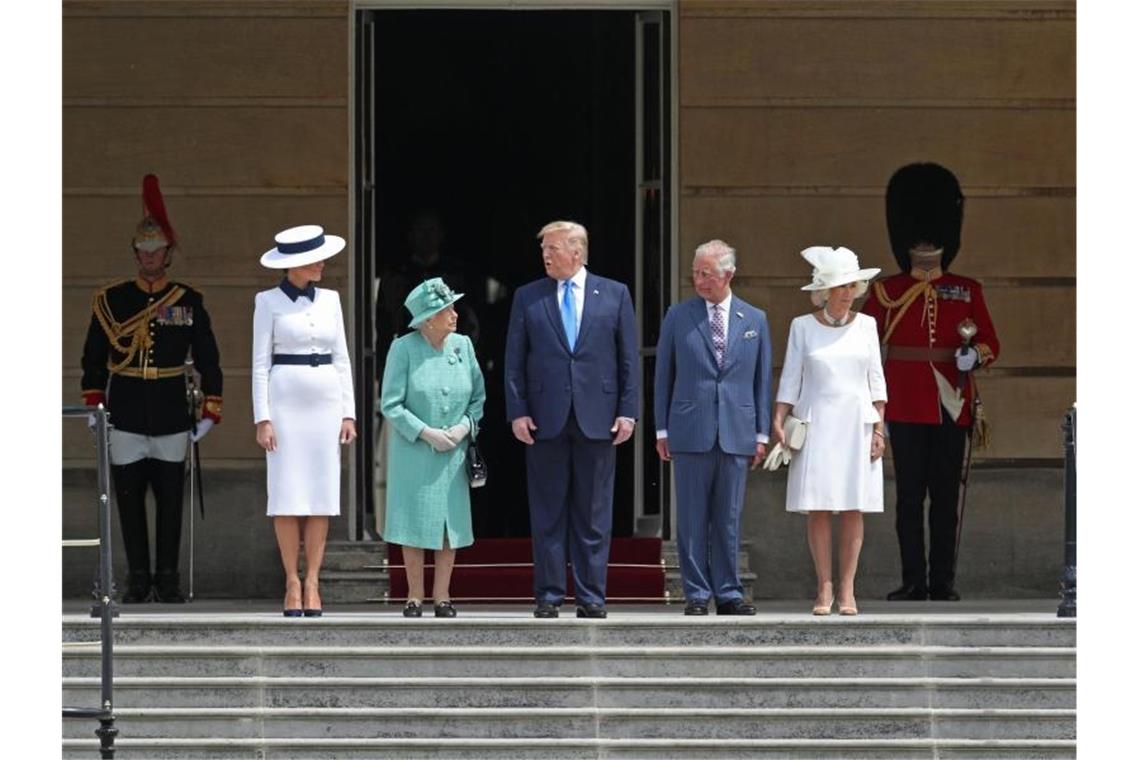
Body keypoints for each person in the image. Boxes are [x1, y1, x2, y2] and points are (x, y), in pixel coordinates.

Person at [861, 162, 1001, 602]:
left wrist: (971, 354)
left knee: (945, 499)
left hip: (951, 403)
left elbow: (992, 342)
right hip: (904, 404)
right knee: (908, 501)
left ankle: (942, 580)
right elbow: (863, 346)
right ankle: (913, 580)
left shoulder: (966, 289)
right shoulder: (886, 292)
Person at [81, 174, 223, 604]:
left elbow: (208, 358)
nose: (148, 257)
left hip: (169, 410)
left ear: (168, 253)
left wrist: (210, 408)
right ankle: (138, 578)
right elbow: (92, 358)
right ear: (135, 254)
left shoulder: (187, 300)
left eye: (155, 250)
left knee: (169, 503)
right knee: (127, 500)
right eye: (142, 251)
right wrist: (95, 401)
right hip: (124, 409)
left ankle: (169, 578)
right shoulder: (113, 300)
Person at [504, 220, 639, 619]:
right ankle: (548, 594)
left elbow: (628, 359)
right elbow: (515, 361)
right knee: (547, 512)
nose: (545, 255)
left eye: (552, 248)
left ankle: (591, 595)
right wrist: (517, 411)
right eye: (543, 249)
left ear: (577, 251)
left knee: (594, 512)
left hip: (598, 417)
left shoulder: (614, 295)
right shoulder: (528, 297)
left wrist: (628, 411)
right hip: (545, 418)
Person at [653, 239, 772, 616]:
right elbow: (662, 376)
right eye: (696, 273)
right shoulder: (678, 315)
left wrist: (761, 433)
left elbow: (761, 379)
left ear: (729, 274)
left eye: (707, 274)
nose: (699, 280)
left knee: (729, 515)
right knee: (691, 517)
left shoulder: (754, 319)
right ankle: (697, 593)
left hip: (737, 429)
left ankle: (729, 591)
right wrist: (661, 430)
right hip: (689, 428)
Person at [773, 246, 886, 616]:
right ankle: (824, 585)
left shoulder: (867, 325)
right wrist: (779, 417)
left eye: (851, 285)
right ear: (823, 290)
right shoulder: (802, 327)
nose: (846, 292)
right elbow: (791, 376)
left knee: (854, 506)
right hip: (816, 422)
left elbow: (876, 382)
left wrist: (879, 429)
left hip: (856, 424)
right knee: (818, 507)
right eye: (839, 286)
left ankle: (848, 588)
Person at [252, 225, 357, 617]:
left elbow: (343, 357)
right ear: (295, 264)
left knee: (320, 494)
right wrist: (262, 417)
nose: (323, 264)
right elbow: (260, 362)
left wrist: (348, 411)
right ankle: (291, 581)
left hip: (325, 399)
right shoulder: (267, 301)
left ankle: (313, 579)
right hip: (284, 400)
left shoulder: (330, 299)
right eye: (315, 258)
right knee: (285, 494)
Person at [380, 278, 486, 618]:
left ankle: (443, 596)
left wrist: (463, 428)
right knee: (413, 522)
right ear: (427, 319)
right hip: (414, 451)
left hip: (453, 451)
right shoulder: (403, 348)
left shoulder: (463, 346)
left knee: (448, 526)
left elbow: (478, 398)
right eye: (446, 310)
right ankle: (414, 596)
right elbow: (391, 404)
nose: (454, 315)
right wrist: (425, 432)